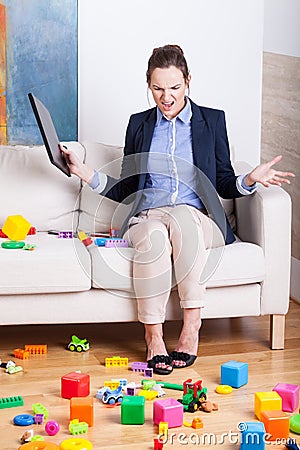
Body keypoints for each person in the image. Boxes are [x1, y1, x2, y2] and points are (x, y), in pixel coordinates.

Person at [61, 44, 295, 376]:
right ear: (148, 84)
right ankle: (153, 338)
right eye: (157, 88)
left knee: (182, 217)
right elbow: (129, 186)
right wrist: (85, 172)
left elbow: (224, 180)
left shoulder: (211, 121)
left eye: (174, 87)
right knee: (157, 232)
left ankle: (191, 326)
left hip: (199, 221)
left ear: (188, 81)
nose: (166, 96)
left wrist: (248, 180)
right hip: (148, 219)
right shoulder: (139, 124)